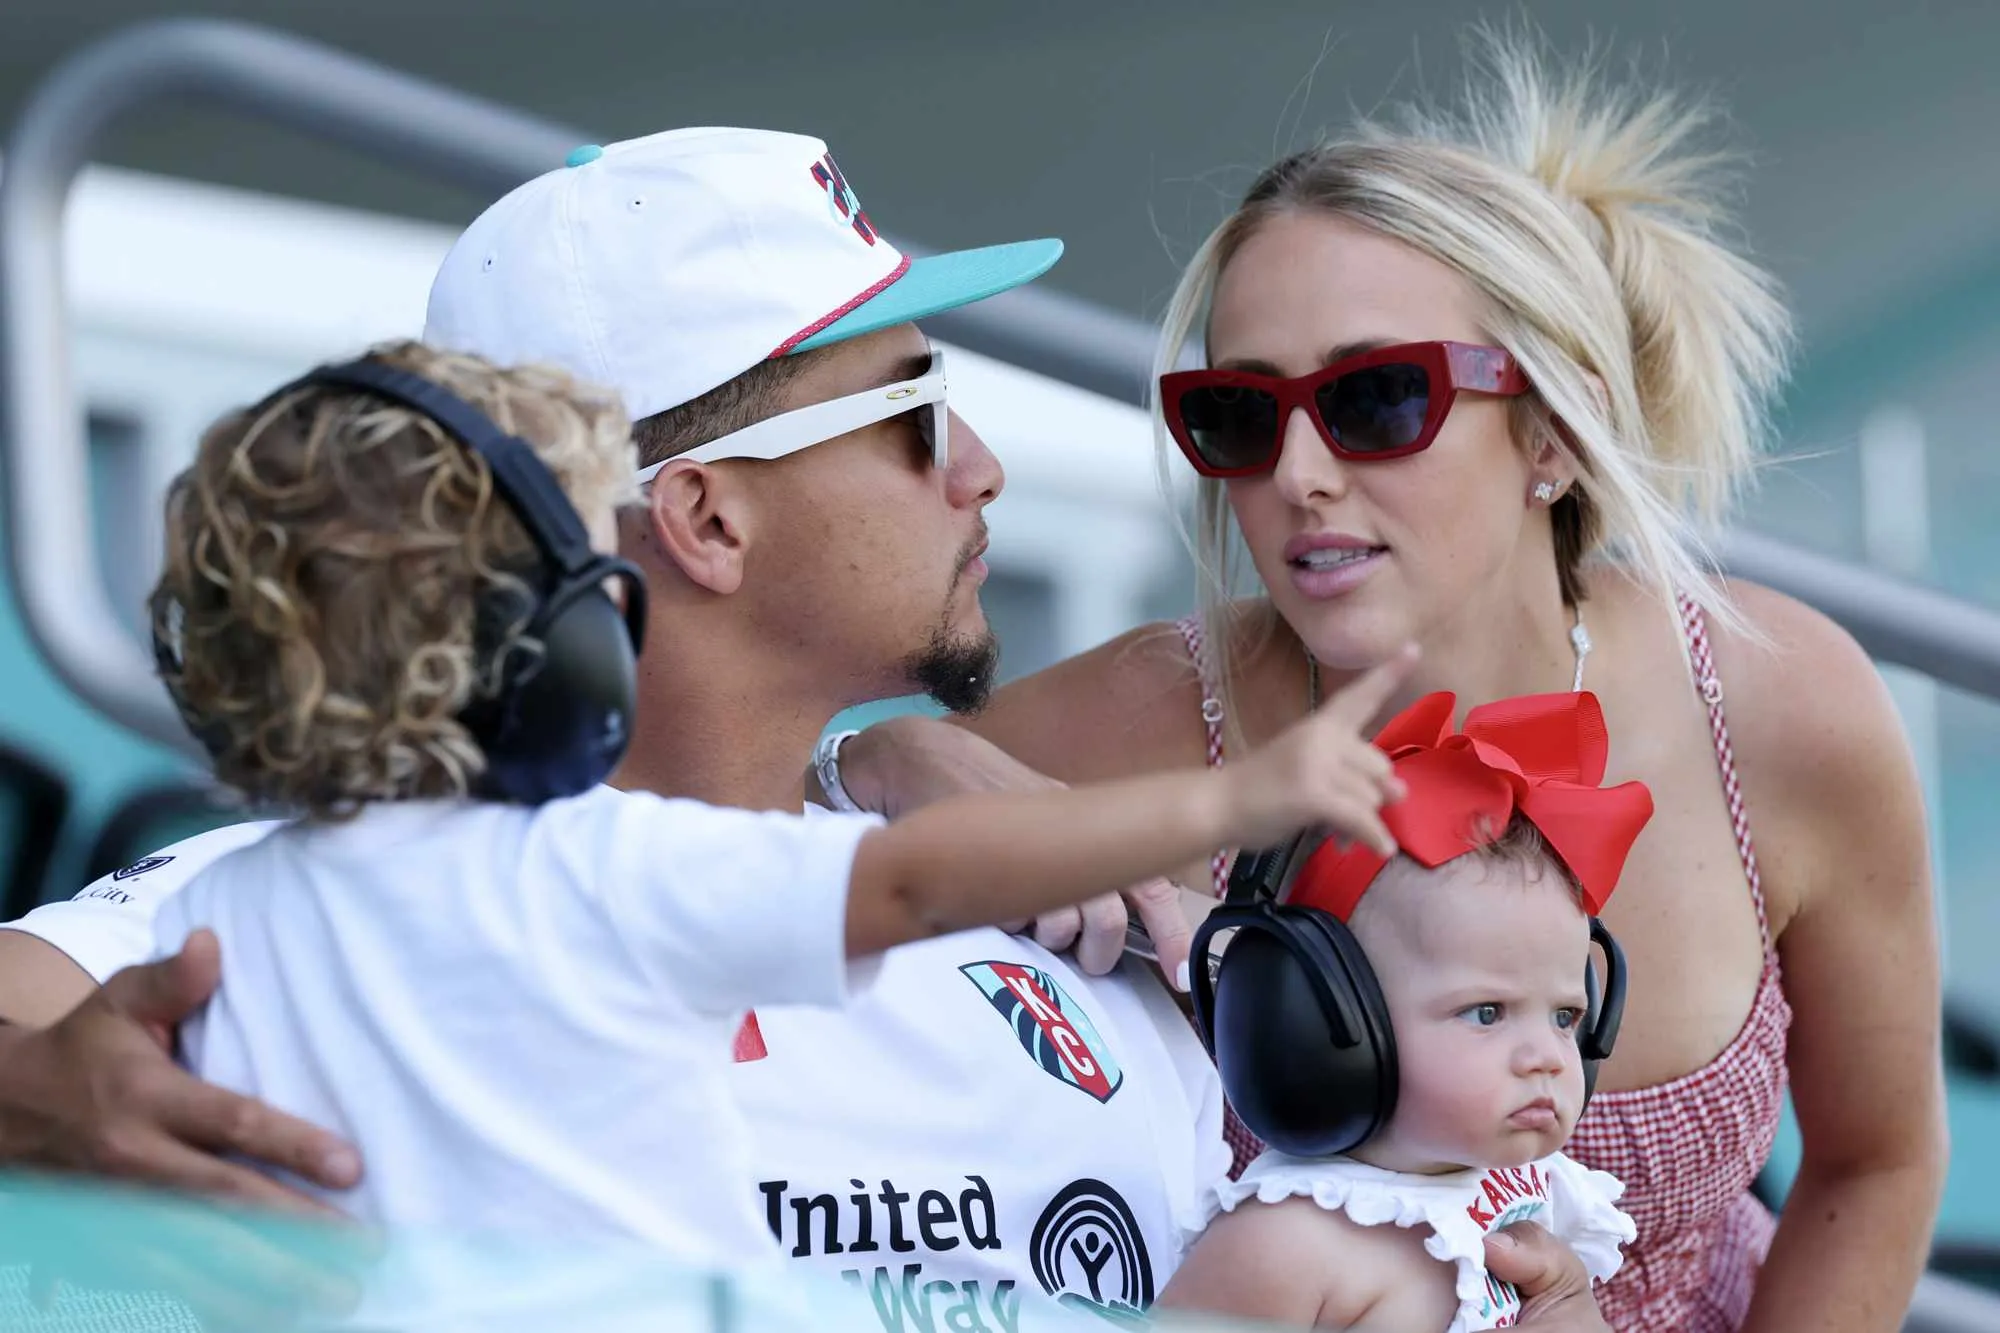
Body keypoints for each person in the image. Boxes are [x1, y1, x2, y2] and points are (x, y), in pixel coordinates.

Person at [0, 125, 1616, 1331]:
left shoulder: (1075, 928)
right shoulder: (298, 913)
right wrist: (27, 1108)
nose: (979, 460)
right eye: (912, 411)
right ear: (700, 520)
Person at [822, 30, 1947, 1333]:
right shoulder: (1125, 723)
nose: (1296, 472)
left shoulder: (1771, 703)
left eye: (1372, 400)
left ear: (1554, 433)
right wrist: (886, 756)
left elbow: (1876, 1166)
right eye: (1238, 415)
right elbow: (682, 854)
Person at [1157, 690, 1648, 1333]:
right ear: (1324, 1023)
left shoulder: (1525, 1196)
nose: (1549, 1059)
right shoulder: (1288, 1247)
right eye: (1487, 1013)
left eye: (1564, 1016)